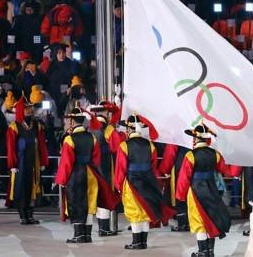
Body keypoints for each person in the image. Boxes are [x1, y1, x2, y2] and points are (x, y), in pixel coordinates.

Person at [55, 106, 119, 243]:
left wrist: (61, 179)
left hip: (76, 174)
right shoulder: (92, 137)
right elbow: (96, 157)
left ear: (72, 122)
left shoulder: (69, 139)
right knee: (90, 203)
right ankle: (88, 235)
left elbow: (66, 162)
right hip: (91, 173)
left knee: (76, 202)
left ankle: (79, 235)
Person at [176, 124, 239, 257]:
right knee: (211, 218)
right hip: (211, 188)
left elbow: (184, 177)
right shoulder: (215, 154)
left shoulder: (190, 155)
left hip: (196, 190)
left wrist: (180, 195)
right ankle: (210, 251)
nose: (192, 140)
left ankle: (202, 251)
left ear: (197, 139)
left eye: (193, 137)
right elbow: (226, 171)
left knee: (198, 220)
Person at [114, 113, 175, 250]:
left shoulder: (124, 146)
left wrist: (119, 185)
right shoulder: (150, 145)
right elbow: (153, 166)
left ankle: (136, 242)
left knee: (134, 211)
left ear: (129, 130)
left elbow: (120, 168)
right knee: (146, 210)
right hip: (148, 181)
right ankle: (143, 242)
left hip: (132, 181)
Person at [6, 96, 49, 225]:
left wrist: (43, 161)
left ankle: (30, 214)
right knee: (21, 187)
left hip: (33, 161)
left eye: (31, 108)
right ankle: (22, 214)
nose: (30, 111)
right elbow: (11, 147)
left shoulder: (36, 125)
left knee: (33, 187)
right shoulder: (14, 127)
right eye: (27, 109)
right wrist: (12, 164)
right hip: (20, 162)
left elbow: (41, 144)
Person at [88, 100, 123, 237]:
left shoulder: (91, 127)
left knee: (100, 195)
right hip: (106, 165)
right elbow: (117, 146)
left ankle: (103, 228)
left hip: (94, 165)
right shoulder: (107, 129)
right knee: (106, 195)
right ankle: (104, 229)